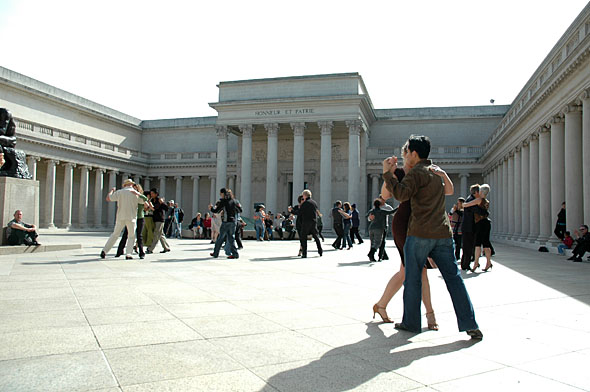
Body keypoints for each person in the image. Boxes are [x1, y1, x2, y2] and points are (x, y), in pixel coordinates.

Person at [382, 135, 482, 339]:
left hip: (419, 233)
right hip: (443, 233)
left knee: (412, 279)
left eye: (407, 152)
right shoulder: (436, 173)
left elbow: (401, 195)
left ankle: (411, 322)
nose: (405, 155)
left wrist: (387, 174)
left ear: (414, 154)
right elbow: (449, 190)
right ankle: (469, 323)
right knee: (454, 280)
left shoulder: (416, 173)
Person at [373, 142, 452, 330]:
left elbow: (446, 191)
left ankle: (381, 305)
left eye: (408, 153)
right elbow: (384, 195)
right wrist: (389, 175)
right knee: (417, 270)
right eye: (406, 154)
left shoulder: (427, 171)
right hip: (404, 224)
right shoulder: (400, 173)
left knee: (406, 271)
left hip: (421, 224)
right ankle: (430, 315)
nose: (407, 157)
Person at [100, 179, 144, 259]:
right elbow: (144, 201)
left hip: (120, 217)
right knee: (131, 236)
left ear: (125, 185)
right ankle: (128, 254)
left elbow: (108, 198)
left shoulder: (119, 192)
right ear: (132, 185)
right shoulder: (135, 193)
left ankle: (105, 250)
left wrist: (112, 191)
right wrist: (138, 193)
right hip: (131, 217)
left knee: (115, 235)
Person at [115, 183, 150, 259]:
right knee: (126, 234)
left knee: (139, 235)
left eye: (135, 188)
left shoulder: (140, 197)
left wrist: (138, 194)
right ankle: (120, 251)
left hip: (139, 217)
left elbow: (147, 204)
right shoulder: (131, 197)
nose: (133, 190)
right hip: (131, 217)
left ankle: (141, 252)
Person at [463, 184, 492, 272]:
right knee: (486, 244)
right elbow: (485, 212)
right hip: (486, 223)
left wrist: (463, 204)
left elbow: (465, 205)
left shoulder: (478, 199)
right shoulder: (486, 200)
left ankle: (476, 263)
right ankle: (488, 263)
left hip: (480, 224)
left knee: (477, 244)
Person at [209, 188, 242, 259]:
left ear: (223, 194)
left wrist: (211, 208)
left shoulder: (223, 202)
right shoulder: (235, 201)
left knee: (220, 238)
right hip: (233, 222)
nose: (220, 195)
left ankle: (215, 253)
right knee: (231, 238)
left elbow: (216, 211)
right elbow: (240, 210)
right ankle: (235, 254)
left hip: (226, 222)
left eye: (221, 194)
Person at [460, 184, 480, 270]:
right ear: (476, 192)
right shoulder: (472, 200)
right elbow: (477, 210)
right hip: (469, 228)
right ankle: (465, 264)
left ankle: (465, 263)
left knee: (467, 246)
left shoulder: (470, 199)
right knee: (468, 247)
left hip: (467, 227)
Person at [298, 189, 323, 258]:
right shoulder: (314, 203)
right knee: (316, 237)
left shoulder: (305, 203)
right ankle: (320, 251)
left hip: (306, 222)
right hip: (313, 222)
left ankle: (304, 253)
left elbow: (300, 213)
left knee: (303, 238)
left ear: (305, 195)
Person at [146, 189, 171, 254]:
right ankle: (166, 247)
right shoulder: (152, 200)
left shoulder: (159, 200)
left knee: (156, 234)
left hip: (160, 219)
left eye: (152, 193)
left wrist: (162, 203)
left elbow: (166, 208)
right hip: (155, 219)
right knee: (160, 234)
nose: (151, 195)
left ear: (156, 194)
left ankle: (150, 248)